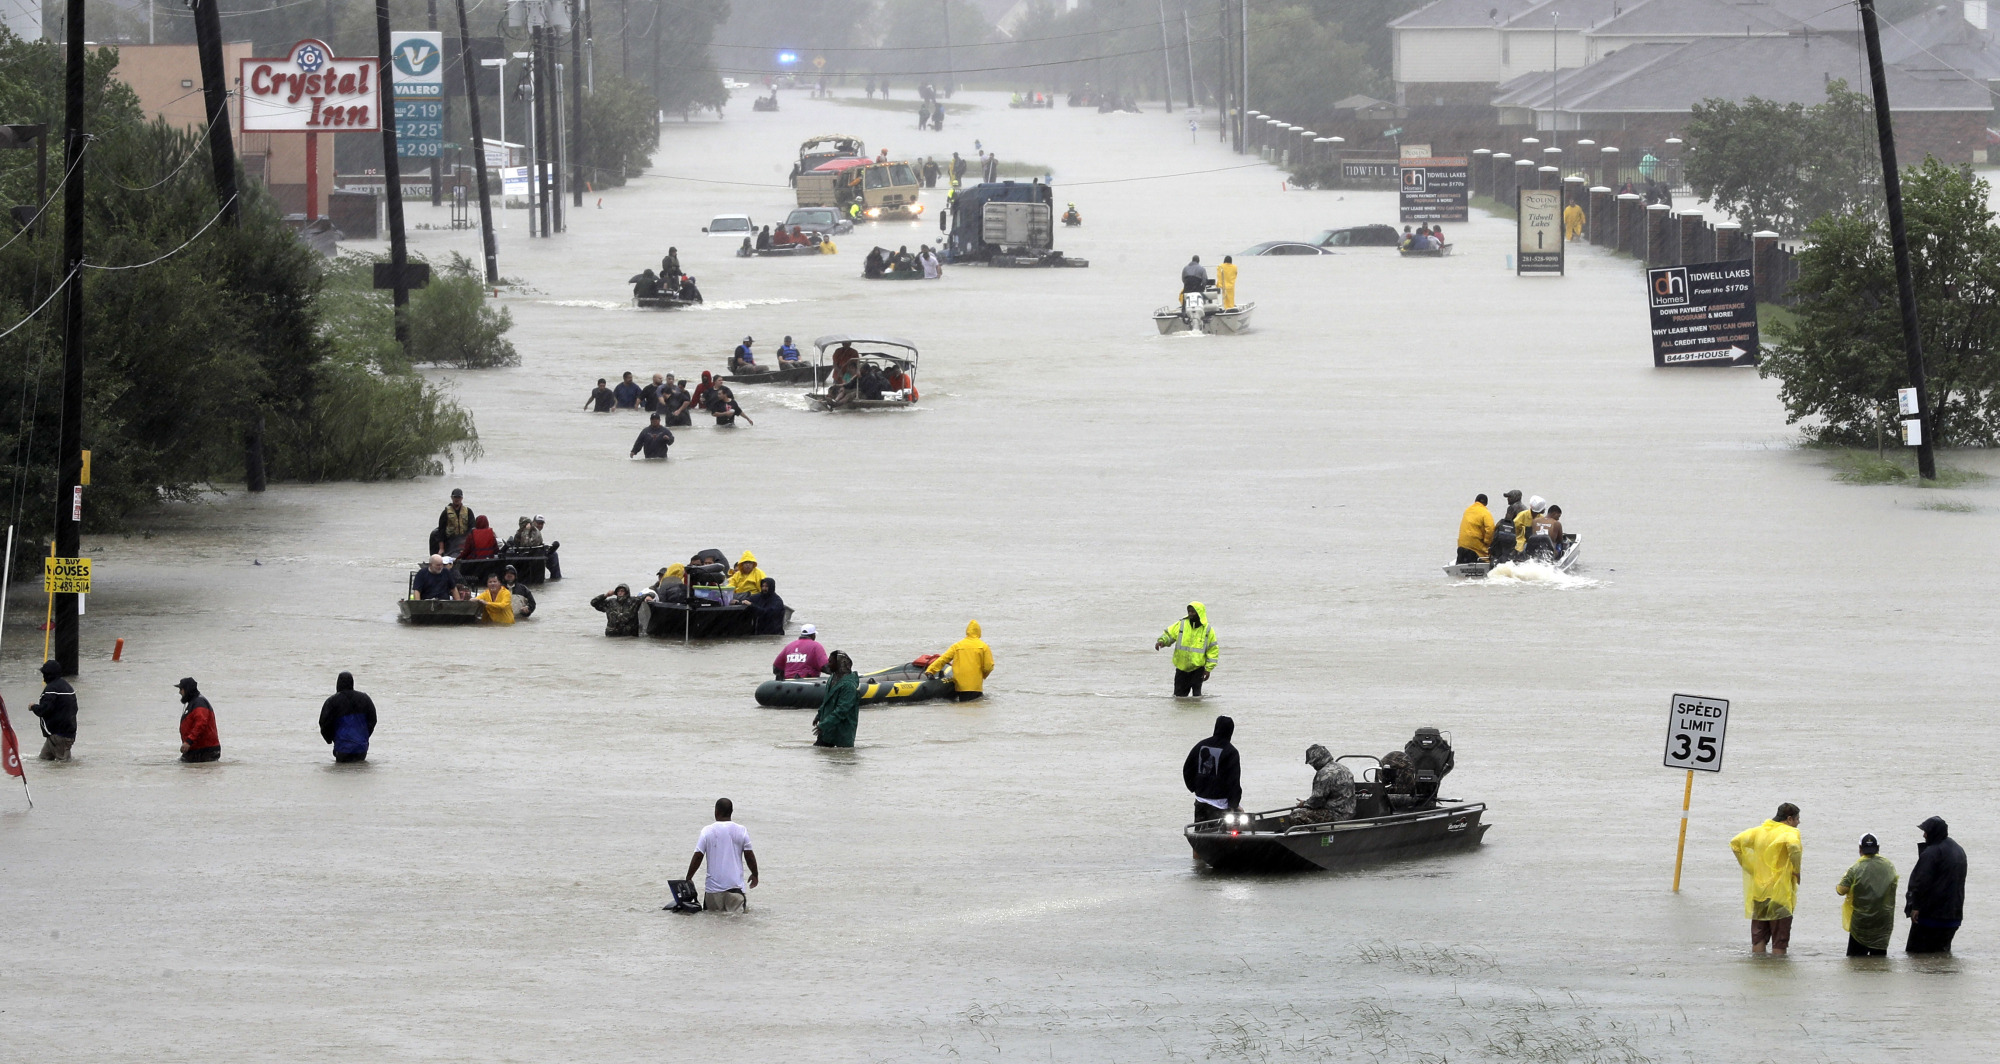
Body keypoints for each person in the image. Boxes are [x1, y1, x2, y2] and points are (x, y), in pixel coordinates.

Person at [1731, 803, 1803, 955]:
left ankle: (1759, 971)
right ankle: (1777, 975)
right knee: (1780, 941)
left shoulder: (1759, 831)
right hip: (1780, 894)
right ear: (1789, 819)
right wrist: (1796, 870)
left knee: (1759, 939)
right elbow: (1794, 848)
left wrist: (1750, 868)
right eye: (1797, 819)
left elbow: (1735, 843)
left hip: (1759, 892)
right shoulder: (1790, 832)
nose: (1799, 823)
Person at [1905, 816, 1967, 953]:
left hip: (1931, 917)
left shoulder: (1931, 853)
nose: (1924, 835)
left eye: (1926, 831)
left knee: (1916, 957)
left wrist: (1915, 907)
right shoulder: (1959, 850)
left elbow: (1921, 882)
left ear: (1933, 833)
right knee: (1941, 956)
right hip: (1953, 916)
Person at [686, 798, 759, 912]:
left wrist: (689, 877)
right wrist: (755, 874)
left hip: (713, 891)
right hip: (735, 889)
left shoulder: (707, 831)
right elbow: (749, 855)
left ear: (716, 812)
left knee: (712, 925)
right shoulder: (741, 830)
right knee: (737, 925)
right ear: (731, 812)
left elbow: (698, 856)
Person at [1836, 833, 1899, 957]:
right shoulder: (1889, 866)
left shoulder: (1855, 868)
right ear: (1878, 848)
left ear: (1860, 849)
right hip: (1883, 919)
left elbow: (1841, 890)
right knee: (1879, 959)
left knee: (1856, 960)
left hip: (1861, 922)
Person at [1182, 715, 1241, 824]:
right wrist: (1235, 805)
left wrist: (1194, 788)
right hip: (1220, 805)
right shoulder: (1231, 752)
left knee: (1200, 833)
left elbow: (1187, 769)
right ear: (1231, 731)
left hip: (1200, 801)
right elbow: (1233, 781)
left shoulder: (1200, 745)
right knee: (1221, 836)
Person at [1156, 601, 1219, 697]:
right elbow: (1169, 635)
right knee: (1178, 698)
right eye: (1189, 611)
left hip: (1198, 669)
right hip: (1181, 668)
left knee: (1197, 699)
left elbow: (1213, 650)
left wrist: (1208, 669)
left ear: (1199, 613)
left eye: (1193, 612)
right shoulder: (1181, 624)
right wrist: (1162, 641)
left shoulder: (1208, 630)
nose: (1190, 614)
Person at [924, 620, 994, 701]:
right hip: (975, 685)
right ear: (979, 632)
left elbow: (943, 659)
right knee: (974, 708)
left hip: (959, 685)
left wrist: (930, 670)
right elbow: (989, 667)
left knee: (962, 706)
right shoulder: (983, 646)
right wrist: (983, 675)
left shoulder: (957, 646)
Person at [318, 671, 378, 764]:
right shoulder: (365, 699)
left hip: (342, 749)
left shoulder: (332, 701)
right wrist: (364, 736)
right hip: (361, 748)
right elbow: (373, 720)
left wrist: (329, 739)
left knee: (342, 774)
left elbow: (324, 724)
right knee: (359, 770)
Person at [1293, 744, 1356, 824]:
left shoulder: (1324, 773)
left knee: (1296, 815)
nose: (1313, 766)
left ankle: (1310, 835)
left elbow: (1317, 800)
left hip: (1335, 815)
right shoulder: (1343, 768)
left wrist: (1304, 803)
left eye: (1312, 763)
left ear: (1318, 760)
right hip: (1349, 813)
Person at [812, 651, 862, 747]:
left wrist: (824, 725)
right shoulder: (832, 678)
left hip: (841, 733)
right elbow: (826, 701)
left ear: (839, 664)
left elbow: (842, 710)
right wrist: (819, 715)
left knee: (840, 756)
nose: (828, 664)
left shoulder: (849, 685)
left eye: (831, 662)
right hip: (826, 731)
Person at [29, 659, 76, 761]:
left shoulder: (51, 689)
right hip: (63, 735)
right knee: (43, 761)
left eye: (44, 674)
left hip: (59, 737)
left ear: (47, 675)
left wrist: (33, 707)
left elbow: (44, 710)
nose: (43, 677)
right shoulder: (67, 687)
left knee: (63, 767)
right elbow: (75, 709)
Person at [176, 677, 220, 763]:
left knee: (191, 772)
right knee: (183, 769)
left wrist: (188, 741)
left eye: (181, 689)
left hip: (204, 751)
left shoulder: (199, 703)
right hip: (196, 750)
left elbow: (201, 723)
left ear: (187, 689)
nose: (179, 692)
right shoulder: (194, 702)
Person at [432, 488, 474, 555]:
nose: (457, 499)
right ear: (452, 498)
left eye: (459, 497)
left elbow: (472, 528)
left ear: (462, 498)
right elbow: (441, 531)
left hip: (464, 541)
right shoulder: (445, 512)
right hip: (450, 541)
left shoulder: (468, 511)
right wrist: (441, 548)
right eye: (455, 497)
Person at [1456, 493, 1495, 565]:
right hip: (1475, 549)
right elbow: (1490, 529)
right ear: (1486, 503)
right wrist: (1488, 543)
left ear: (1475, 501)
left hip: (1461, 547)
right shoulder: (1485, 512)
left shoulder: (1467, 511)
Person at [1491, 489, 1525, 564]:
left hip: (1514, 535)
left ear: (1515, 497)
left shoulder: (1512, 507)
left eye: (1509, 497)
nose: (1507, 499)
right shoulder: (1524, 508)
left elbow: (1507, 522)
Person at [529, 514, 562, 579]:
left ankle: (556, 578)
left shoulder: (536, 532)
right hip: (530, 554)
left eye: (542, 524)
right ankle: (556, 577)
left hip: (536, 553)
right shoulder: (529, 531)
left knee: (553, 553)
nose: (540, 525)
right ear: (533, 522)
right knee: (553, 555)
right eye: (538, 523)